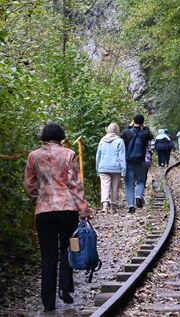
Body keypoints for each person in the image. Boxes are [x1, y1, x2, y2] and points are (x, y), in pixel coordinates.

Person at [24, 122, 91, 311]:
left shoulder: (33, 156)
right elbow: (75, 185)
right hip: (67, 210)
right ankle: (65, 287)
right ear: (61, 137)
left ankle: (48, 302)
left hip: (44, 212)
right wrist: (84, 210)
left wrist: (38, 198)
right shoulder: (68, 154)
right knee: (70, 247)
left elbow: (29, 185)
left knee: (48, 255)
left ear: (43, 137)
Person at [121, 114, 153, 213]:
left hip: (128, 161)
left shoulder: (127, 132)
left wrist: (129, 126)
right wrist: (145, 127)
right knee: (141, 181)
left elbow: (121, 135)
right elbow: (150, 135)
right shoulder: (144, 134)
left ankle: (131, 207)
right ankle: (138, 196)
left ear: (133, 121)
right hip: (140, 161)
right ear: (142, 123)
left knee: (129, 184)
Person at [95, 122, 126, 213]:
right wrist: (123, 171)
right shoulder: (120, 141)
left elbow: (98, 156)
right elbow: (122, 157)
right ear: (117, 130)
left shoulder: (102, 140)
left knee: (104, 186)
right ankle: (113, 207)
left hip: (103, 167)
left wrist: (97, 168)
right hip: (116, 168)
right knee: (114, 187)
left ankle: (105, 206)